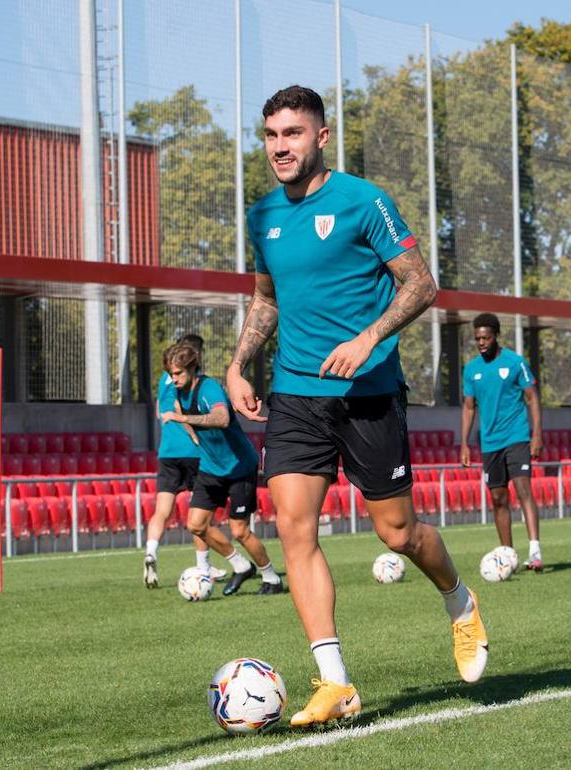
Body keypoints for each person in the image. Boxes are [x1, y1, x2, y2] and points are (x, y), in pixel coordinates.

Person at [225, 84, 486, 728]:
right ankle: (334, 681)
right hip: (295, 394)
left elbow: (422, 283)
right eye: (270, 136)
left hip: (368, 393)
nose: (279, 147)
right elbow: (267, 298)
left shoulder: (364, 202)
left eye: (292, 134)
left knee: (397, 533)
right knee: (294, 529)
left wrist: (368, 336)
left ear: (321, 137)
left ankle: (459, 599)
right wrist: (237, 365)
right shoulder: (263, 216)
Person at [161, 343, 283, 596]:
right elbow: (182, 416)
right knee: (196, 525)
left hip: (239, 467)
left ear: (192, 369)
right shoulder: (178, 393)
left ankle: (272, 578)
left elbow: (222, 418)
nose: (173, 379)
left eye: (178, 373)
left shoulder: (209, 388)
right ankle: (240, 565)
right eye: (171, 374)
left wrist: (183, 420)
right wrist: (193, 436)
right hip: (211, 468)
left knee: (239, 530)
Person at [460, 313, 545, 571]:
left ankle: (535, 552)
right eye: (478, 339)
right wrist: (464, 443)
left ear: (496, 336)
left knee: (523, 491)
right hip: (490, 443)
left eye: (486, 337)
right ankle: (508, 555)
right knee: (498, 498)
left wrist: (537, 434)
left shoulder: (515, 362)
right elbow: (468, 407)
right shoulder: (472, 369)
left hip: (517, 437)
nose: (482, 342)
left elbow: (532, 398)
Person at [143, 335, 224, 588]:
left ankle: (151, 553)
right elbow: (185, 414)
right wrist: (197, 438)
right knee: (199, 511)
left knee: (162, 511)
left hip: (167, 452)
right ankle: (203, 566)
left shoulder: (164, 380)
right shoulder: (192, 383)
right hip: (192, 451)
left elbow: (160, 411)